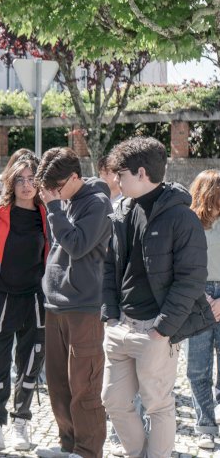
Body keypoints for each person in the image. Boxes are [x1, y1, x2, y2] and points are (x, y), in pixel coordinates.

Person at [101, 138, 213, 458]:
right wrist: (110, 315)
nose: (116, 180)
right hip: (121, 325)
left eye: (120, 173)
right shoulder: (122, 211)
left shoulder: (182, 217)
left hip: (155, 329)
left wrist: (161, 330)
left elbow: (191, 280)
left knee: (158, 405)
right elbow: (109, 267)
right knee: (114, 401)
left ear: (140, 173)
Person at [33, 147, 112, 458]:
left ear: (76, 177)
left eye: (57, 186)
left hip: (85, 307)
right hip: (57, 305)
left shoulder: (97, 204)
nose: (52, 193)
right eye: (48, 189)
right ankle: (68, 445)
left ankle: (88, 450)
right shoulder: (65, 200)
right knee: (58, 384)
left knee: (84, 386)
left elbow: (77, 246)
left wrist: (53, 207)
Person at [0, 155, 49, 452]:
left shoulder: (47, 215)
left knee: (30, 361)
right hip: (1, 297)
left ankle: (21, 421)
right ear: (11, 181)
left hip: (35, 297)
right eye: (20, 179)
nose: (26, 185)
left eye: (32, 179)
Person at [188, 169, 220, 450]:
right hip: (197, 297)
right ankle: (206, 426)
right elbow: (182, 268)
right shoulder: (189, 224)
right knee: (198, 369)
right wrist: (203, 298)